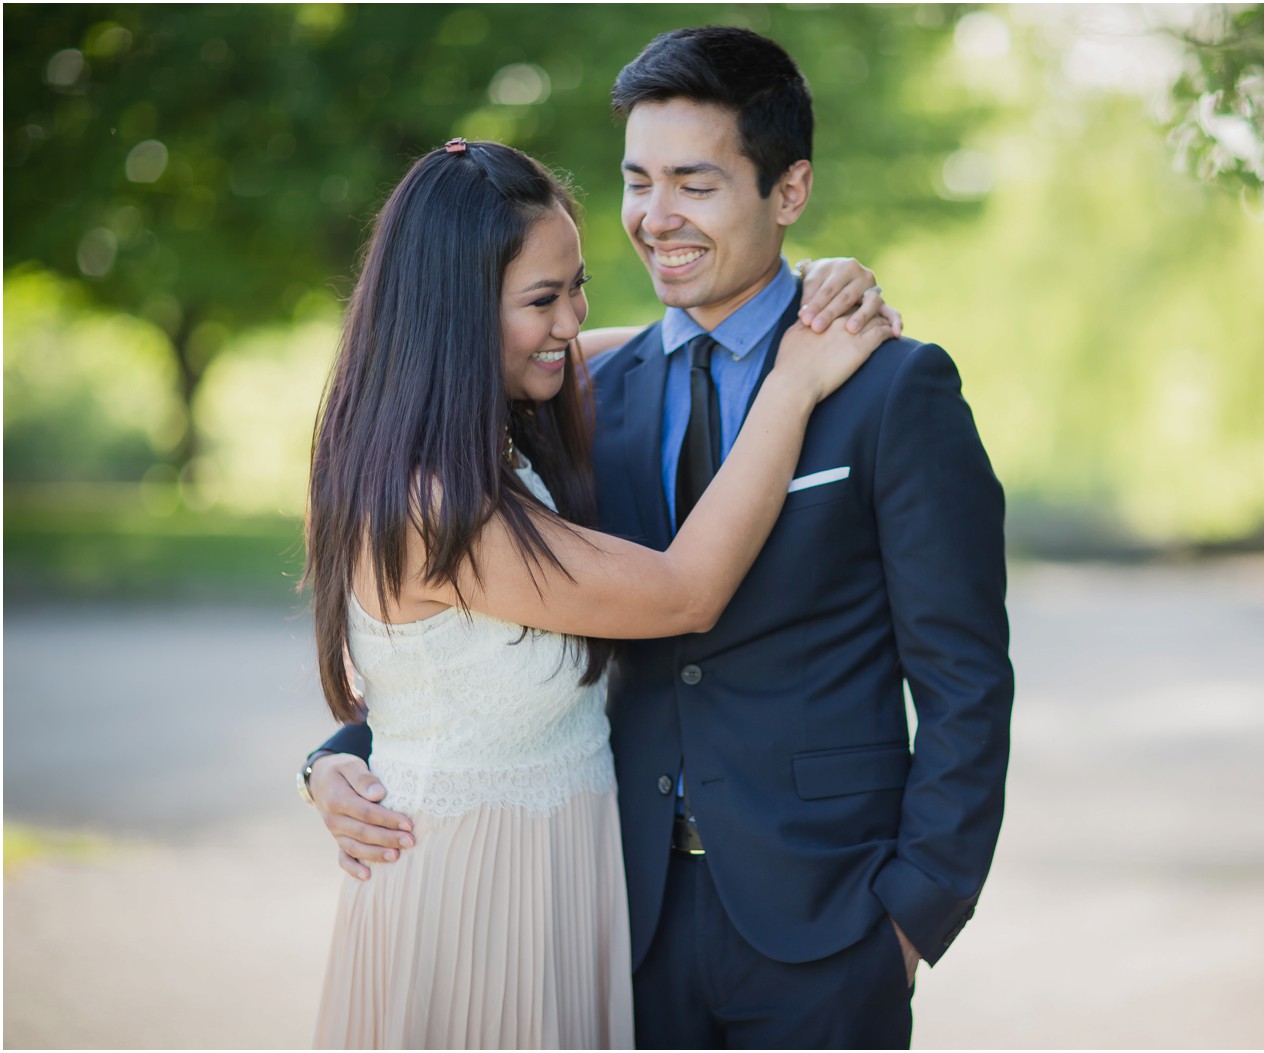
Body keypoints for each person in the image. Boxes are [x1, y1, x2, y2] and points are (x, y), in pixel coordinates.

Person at [309, 25, 1013, 1049]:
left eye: (694, 182)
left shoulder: (891, 388)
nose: (655, 217)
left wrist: (914, 913)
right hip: (613, 917)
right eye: (639, 181)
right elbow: (460, 618)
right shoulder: (581, 398)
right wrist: (341, 755)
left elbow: (965, 677)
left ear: (788, 190)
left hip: (826, 925)